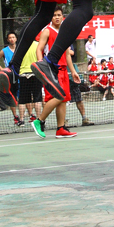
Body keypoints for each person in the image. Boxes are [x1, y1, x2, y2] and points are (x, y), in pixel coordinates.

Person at [32, 9, 81, 138]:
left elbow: (67, 54)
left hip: (63, 70)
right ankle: (39, 120)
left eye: (59, 15)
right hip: (52, 69)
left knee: (63, 99)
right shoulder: (47, 31)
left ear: (63, 17)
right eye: (54, 15)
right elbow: (39, 49)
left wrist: (73, 71)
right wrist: (41, 66)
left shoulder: (64, 33)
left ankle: (61, 128)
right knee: (58, 96)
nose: (57, 17)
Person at [0, 32, 19, 122]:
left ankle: (25, 116)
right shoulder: (4, 51)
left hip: (20, 74)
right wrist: (2, 69)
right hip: (9, 76)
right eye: (10, 38)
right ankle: (15, 116)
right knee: (12, 97)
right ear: (7, 40)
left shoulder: (20, 49)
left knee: (22, 96)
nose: (12, 39)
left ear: (16, 39)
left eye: (13, 37)